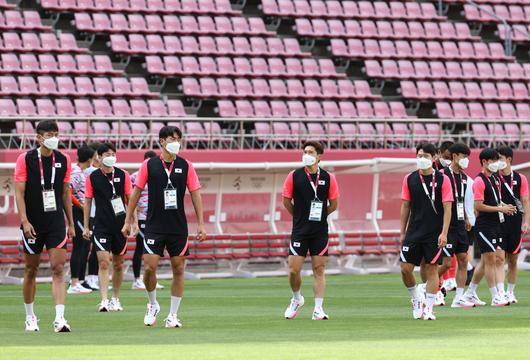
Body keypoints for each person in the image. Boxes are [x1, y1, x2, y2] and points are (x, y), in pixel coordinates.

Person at [123, 126, 206, 328]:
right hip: (153, 225)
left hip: (178, 226)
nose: (176, 142)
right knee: (149, 268)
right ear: (161, 141)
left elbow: (195, 194)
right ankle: (152, 304)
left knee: (178, 269)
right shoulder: (149, 165)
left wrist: (201, 224)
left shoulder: (186, 166)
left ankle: (173, 315)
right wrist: (128, 220)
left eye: (178, 138)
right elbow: (135, 193)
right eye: (171, 138)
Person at [14, 120, 75, 332]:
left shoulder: (64, 159)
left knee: (58, 268)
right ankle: (30, 317)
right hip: (33, 223)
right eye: (49, 134)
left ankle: (60, 319)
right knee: (31, 269)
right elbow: (19, 192)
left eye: (56, 133)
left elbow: (66, 192)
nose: (54, 137)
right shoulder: (26, 159)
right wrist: (24, 220)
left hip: (56, 222)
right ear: (39, 137)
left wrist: (70, 223)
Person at [282, 141, 339, 321]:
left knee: (319, 269)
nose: (306, 154)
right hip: (299, 230)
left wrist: (320, 216)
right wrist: (299, 216)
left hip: (319, 231)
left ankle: (318, 309)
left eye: (310, 152)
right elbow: (286, 201)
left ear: (319, 156)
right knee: (293, 269)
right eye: (305, 151)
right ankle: (297, 299)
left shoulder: (329, 178)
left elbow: (334, 204)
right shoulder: (294, 176)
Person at [399, 143, 452, 320]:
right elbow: (405, 205)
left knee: (431, 269)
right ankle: (416, 298)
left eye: (426, 156)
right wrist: (402, 232)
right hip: (414, 231)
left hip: (434, 232)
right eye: (419, 155)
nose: (422, 159)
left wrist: (444, 233)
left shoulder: (443, 179)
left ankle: (429, 309)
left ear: (434, 157)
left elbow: (447, 208)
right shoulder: (409, 179)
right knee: (405, 269)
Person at [83, 143, 133, 312]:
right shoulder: (92, 177)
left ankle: (115, 298)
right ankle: (104, 300)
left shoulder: (123, 175)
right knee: (104, 262)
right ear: (99, 157)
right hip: (101, 225)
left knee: (118, 264)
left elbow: (130, 199)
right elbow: (88, 201)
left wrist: (131, 222)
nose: (110, 156)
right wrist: (86, 226)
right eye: (107, 154)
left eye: (113, 153)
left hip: (120, 226)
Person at [463, 148, 516, 307]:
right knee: (490, 259)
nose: (496, 164)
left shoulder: (495, 179)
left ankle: (470, 293)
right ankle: (495, 296)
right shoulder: (479, 181)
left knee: (486, 262)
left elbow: (495, 201)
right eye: (493, 160)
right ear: (484, 162)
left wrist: (505, 206)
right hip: (484, 225)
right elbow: (478, 205)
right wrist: (500, 209)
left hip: (496, 225)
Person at [440, 143, 476, 308]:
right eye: (463, 156)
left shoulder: (464, 178)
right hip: (447, 225)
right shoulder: (442, 175)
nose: (466, 160)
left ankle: (458, 298)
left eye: (467, 157)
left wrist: (467, 218)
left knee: (463, 260)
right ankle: (427, 286)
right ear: (454, 156)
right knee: (446, 263)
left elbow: (462, 200)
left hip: (460, 224)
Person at [497, 146, 530, 304]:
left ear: (509, 160)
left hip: (515, 223)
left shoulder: (520, 178)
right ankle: (500, 292)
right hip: (497, 222)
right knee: (498, 258)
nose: (498, 162)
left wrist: (526, 221)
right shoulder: (494, 178)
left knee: (513, 259)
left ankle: (510, 292)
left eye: (500, 159)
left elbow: (525, 201)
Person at [130, 150, 164, 290]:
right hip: (143, 217)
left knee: (154, 251)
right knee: (141, 249)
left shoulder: (159, 176)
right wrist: (134, 221)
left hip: (156, 219)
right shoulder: (135, 177)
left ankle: (151, 278)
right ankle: (137, 279)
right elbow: (132, 198)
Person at [67, 146, 96, 295]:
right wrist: (82, 205)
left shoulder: (79, 171)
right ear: (90, 159)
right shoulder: (77, 173)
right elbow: (68, 192)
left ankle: (80, 280)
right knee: (79, 247)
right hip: (78, 212)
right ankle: (74, 282)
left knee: (84, 247)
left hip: (82, 212)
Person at [85, 142, 102, 290]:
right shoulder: (90, 172)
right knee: (92, 248)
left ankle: (95, 278)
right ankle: (90, 277)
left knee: (99, 249)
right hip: (92, 215)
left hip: (99, 215)